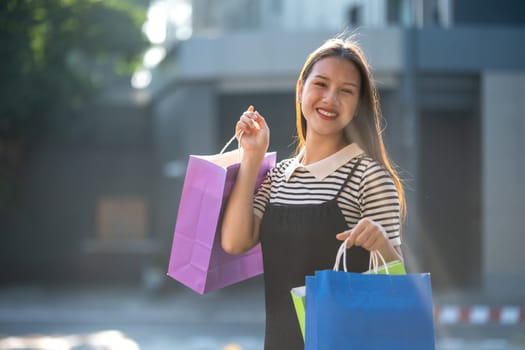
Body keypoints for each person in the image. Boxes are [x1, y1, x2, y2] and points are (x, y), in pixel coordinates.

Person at [221, 35, 406, 350]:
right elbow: (235, 242)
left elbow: (398, 291)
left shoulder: (367, 176)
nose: (330, 98)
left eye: (346, 91)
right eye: (321, 84)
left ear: (358, 104)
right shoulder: (277, 175)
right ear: (300, 89)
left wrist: (383, 246)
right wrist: (252, 158)